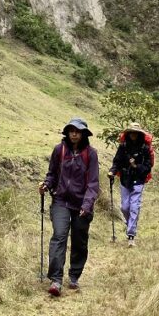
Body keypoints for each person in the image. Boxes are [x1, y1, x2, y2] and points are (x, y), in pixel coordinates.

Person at [41, 118, 100, 297]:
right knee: (59, 236)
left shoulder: (91, 154)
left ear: (83, 134)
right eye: (71, 130)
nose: (74, 133)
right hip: (60, 201)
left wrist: (87, 204)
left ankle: (74, 275)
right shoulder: (59, 150)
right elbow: (52, 174)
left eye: (77, 131)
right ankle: (56, 280)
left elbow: (93, 183)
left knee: (79, 239)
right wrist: (46, 185)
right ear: (67, 133)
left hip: (82, 204)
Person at [109, 122, 153, 247]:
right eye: (131, 132)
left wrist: (136, 166)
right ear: (128, 134)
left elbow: (148, 167)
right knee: (124, 207)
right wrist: (112, 171)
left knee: (134, 207)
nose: (133, 134)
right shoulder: (123, 146)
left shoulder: (145, 148)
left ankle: (131, 236)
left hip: (138, 180)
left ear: (139, 134)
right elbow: (117, 161)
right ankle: (130, 225)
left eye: (136, 133)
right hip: (125, 179)